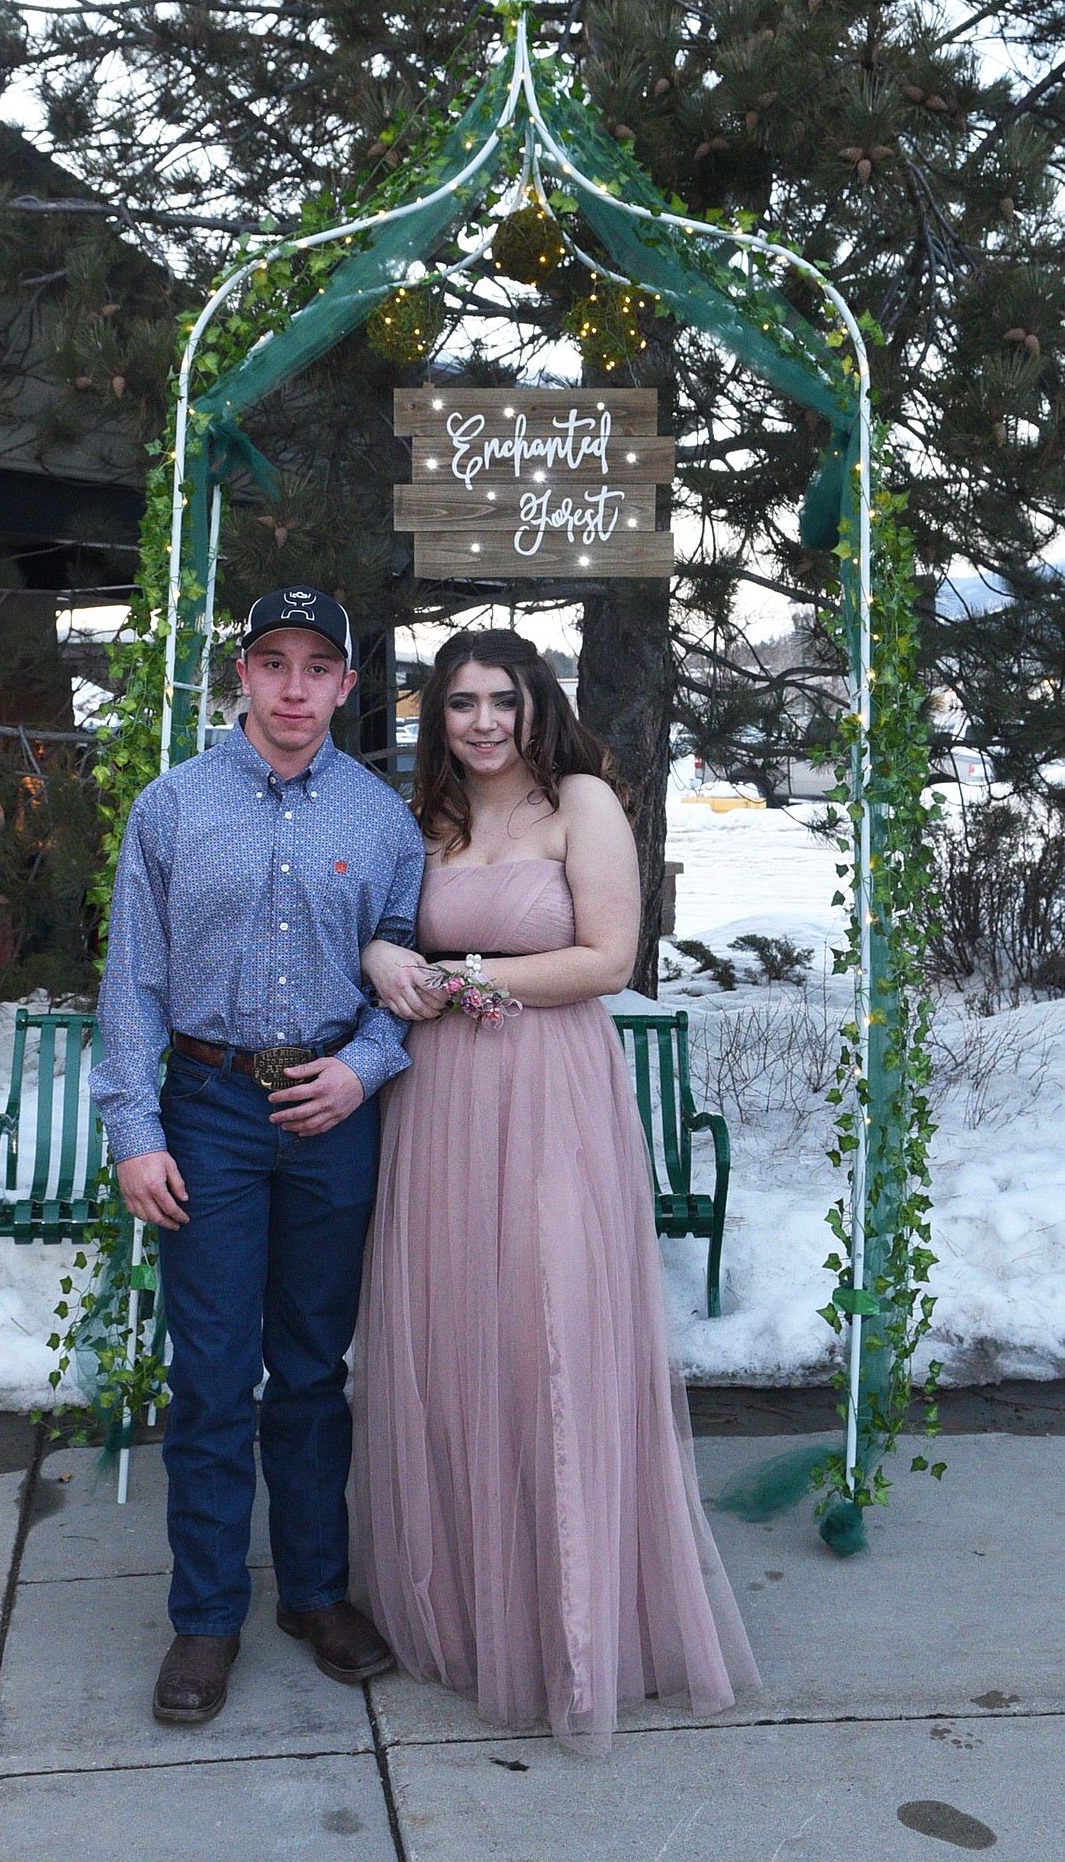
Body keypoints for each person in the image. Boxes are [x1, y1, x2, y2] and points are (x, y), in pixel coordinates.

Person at [354, 629, 759, 1756]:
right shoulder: (427, 822)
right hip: (436, 1107)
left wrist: (472, 977)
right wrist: (390, 965)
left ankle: (576, 1627)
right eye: (460, 704)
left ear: (538, 706)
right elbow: (384, 940)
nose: (482, 722)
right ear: (436, 717)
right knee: (458, 1340)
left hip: (550, 1097)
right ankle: (472, 1612)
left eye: (503, 701)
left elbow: (607, 957)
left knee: (554, 1338)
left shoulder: (580, 801)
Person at [90, 585, 425, 1725]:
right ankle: (207, 1615)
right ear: (241, 673)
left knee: (316, 1371)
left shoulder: (382, 821)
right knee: (214, 1374)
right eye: (272, 662)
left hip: (328, 1110)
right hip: (210, 1108)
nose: (293, 687)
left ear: (344, 684)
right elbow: (130, 979)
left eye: (316, 666)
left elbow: (405, 975)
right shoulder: (172, 808)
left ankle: (318, 1595)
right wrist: (135, 1132)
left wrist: (364, 1069)